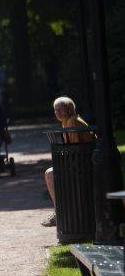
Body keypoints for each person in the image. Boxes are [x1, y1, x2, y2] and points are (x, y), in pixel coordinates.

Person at [42, 96, 94, 227]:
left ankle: (59, 213)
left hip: (84, 166)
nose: (57, 112)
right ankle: (59, 212)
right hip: (83, 162)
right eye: (55, 110)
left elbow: (75, 150)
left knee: (49, 174)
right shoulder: (68, 121)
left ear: (70, 109)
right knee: (50, 173)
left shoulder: (72, 122)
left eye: (61, 109)